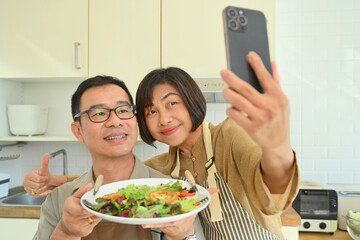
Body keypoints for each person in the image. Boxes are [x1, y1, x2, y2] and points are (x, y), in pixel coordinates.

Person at [25, 52, 299, 239]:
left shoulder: (230, 134)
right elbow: (117, 185)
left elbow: (272, 193)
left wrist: (278, 149)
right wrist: (61, 185)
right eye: (150, 111)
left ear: (192, 101)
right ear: (78, 130)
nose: (164, 118)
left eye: (171, 103)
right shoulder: (165, 170)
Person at [29, 75, 204, 240]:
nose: (115, 121)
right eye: (98, 113)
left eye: (124, 110)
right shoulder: (60, 199)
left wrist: (185, 235)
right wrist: (66, 232)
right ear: (78, 131)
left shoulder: (172, 192)